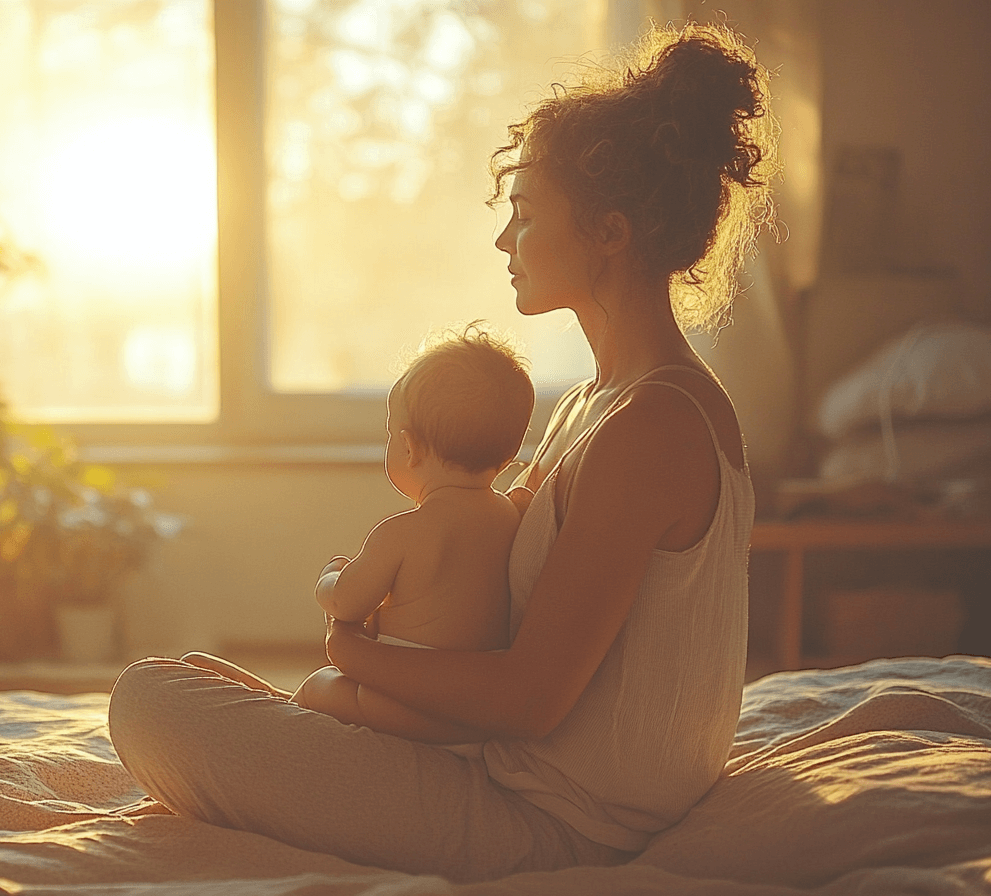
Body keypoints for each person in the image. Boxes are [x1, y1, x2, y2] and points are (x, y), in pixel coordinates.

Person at [108, 20, 777, 883]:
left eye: (526, 216)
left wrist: (352, 653)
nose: (505, 241)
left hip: (554, 823)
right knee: (194, 675)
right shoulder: (593, 404)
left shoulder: (654, 424)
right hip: (504, 776)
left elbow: (529, 699)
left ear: (611, 232)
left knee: (149, 700)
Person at [284, 325, 533, 743]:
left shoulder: (401, 533)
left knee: (318, 685)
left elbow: (346, 604)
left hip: (403, 704)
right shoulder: (513, 516)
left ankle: (281, 744)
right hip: (473, 717)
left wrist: (332, 574)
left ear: (409, 447)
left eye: (388, 434)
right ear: (508, 455)